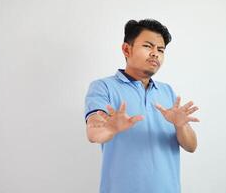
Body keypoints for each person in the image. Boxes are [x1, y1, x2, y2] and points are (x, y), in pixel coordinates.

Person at [84, 19, 200, 193]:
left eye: (160, 50)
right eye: (148, 46)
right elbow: (93, 134)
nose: (155, 54)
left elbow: (191, 146)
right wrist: (111, 128)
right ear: (126, 49)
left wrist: (180, 125)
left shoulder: (167, 91)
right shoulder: (103, 87)